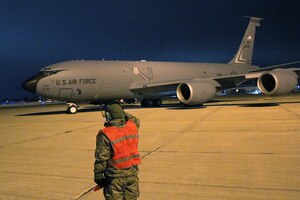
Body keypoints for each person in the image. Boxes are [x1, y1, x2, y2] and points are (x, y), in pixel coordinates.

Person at [94, 103, 141, 200]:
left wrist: (98, 177)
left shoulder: (106, 134)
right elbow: (134, 118)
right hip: (132, 175)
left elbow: (101, 159)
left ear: (109, 116)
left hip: (115, 178)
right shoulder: (132, 126)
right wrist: (121, 112)